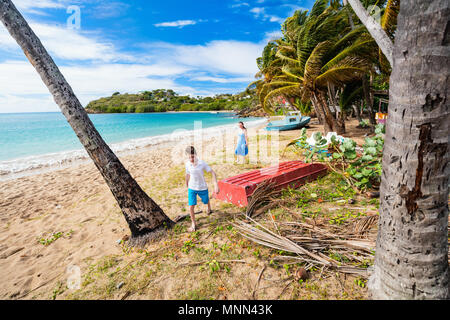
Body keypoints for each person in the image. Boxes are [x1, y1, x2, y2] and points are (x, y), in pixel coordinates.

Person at [185, 146, 219, 232]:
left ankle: (209, 208)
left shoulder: (202, 163)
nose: (191, 159)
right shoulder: (187, 164)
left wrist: (216, 185)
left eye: (192, 156)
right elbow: (188, 174)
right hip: (192, 187)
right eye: (189, 157)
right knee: (191, 206)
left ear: (195, 155)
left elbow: (213, 173)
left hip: (202, 187)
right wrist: (187, 184)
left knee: (206, 200)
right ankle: (193, 224)